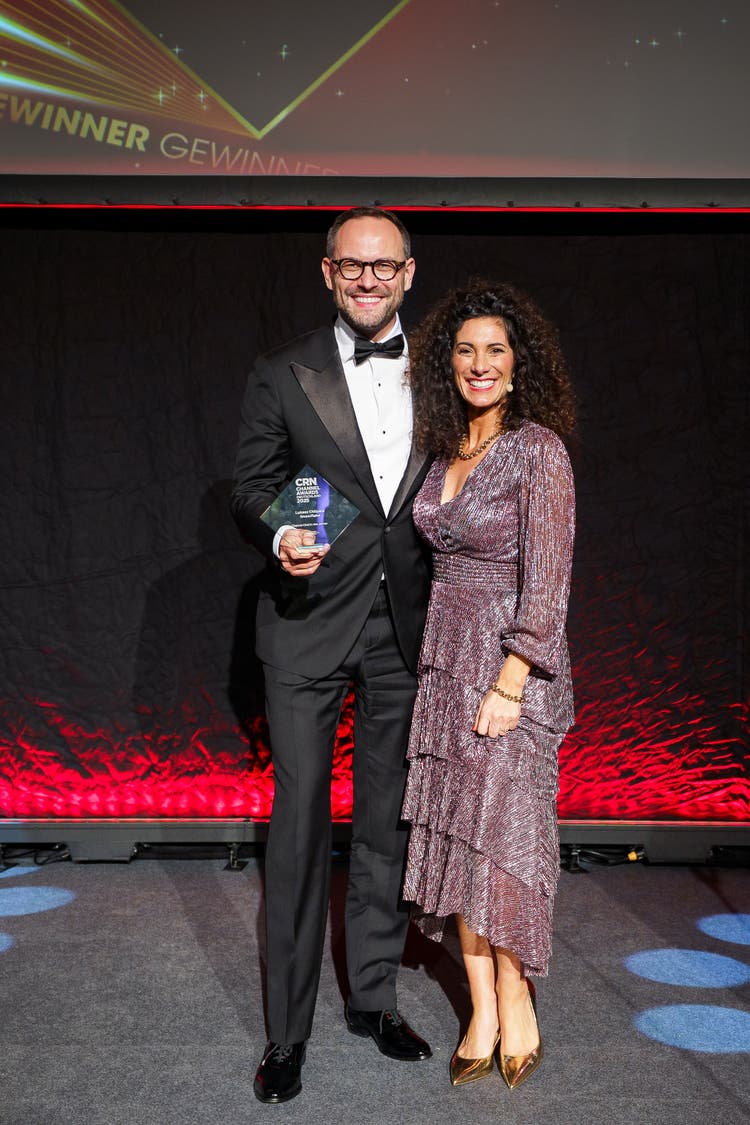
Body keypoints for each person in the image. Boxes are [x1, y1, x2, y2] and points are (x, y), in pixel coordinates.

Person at [231, 207, 433, 1105]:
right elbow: (253, 486)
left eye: (382, 265)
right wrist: (282, 535)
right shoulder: (283, 370)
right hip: (307, 621)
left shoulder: (443, 367)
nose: (367, 279)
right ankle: (287, 1031)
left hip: (408, 628)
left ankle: (375, 998)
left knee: (389, 823)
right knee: (300, 827)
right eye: (351, 265)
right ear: (327, 273)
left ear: (408, 273)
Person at [400, 280, 576, 1091]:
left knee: (502, 843)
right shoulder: (442, 452)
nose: (480, 363)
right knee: (458, 839)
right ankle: (479, 1004)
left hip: (510, 674)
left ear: (518, 362)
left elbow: (548, 581)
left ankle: (515, 993)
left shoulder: (538, 449)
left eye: (495, 350)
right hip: (444, 667)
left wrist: (510, 681)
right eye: (465, 350)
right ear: (449, 363)